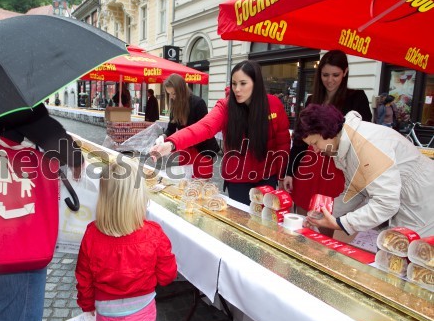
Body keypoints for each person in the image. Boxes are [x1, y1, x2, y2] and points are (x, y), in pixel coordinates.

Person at [0, 103, 84, 321]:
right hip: (17, 231)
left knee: (0, 313)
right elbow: (39, 126)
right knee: (18, 319)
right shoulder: (5, 90)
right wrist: (75, 157)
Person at [151, 61, 291, 205]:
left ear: (256, 83)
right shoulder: (226, 106)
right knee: (240, 218)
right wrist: (172, 143)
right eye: (234, 83)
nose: (237, 89)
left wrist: (281, 175)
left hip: (267, 175)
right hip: (238, 178)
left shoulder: (273, 105)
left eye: (243, 83)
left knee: (266, 221)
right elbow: (204, 127)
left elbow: (283, 142)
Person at [295, 104, 433, 238]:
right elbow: (355, 191)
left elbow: (386, 203)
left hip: (423, 207)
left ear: (327, 132)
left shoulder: (366, 144)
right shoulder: (347, 145)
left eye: (315, 143)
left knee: (415, 255)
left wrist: (342, 223)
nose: (316, 150)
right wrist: (324, 214)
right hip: (409, 204)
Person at [75, 158, 177, 321]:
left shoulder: (92, 233)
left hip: (105, 311)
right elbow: (168, 275)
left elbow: (84, 276)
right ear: (139, 197)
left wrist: (87, 304)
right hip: (142, 308)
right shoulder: (153, 233)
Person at [282, 50, 372, 217]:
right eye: (325, 75)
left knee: (328, 216)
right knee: (302, 216)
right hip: (308, 166)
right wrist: (289, 172)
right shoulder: (311, 100)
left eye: (335, 75)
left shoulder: (356, 98)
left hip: (336, 169)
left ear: (345, 72)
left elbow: (362, 139)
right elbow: (299, 141)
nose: (330, 80)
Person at [155, 73, 220, 179]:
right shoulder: (174, 106)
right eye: (169, 94)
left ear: (182, 91)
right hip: (185, 149)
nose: (171, 97)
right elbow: (170, 129)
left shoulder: (198, 103)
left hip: (202, 150)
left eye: (174, 93)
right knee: (185, 182)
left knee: (200, 185)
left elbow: (203, 132)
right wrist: (162, 137)